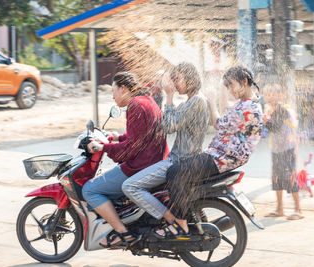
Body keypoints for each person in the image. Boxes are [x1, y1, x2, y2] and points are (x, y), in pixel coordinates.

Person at [153, 65, 263, 238]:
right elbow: (223, 119)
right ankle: (199, 219)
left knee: (174, 172)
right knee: (186, 177)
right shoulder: (248, 103)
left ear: (244, 81)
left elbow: (219, 124)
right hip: (222, 155)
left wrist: (212, 101)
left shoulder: (247, 107)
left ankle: (180, 223)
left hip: (222, 158)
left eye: (231, 85)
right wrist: (215, 99)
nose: (229, 89)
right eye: (226, 86)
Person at [82, 71, 168, 248]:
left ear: (123, 88)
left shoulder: (134, 106)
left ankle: (122, 233)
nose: (113, 96)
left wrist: (103, 147)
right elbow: (140, 137)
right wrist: (117, 137)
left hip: (141, 165)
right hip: (154, 159)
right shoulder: (146, 99)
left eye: (113, 91)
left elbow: (131, 148)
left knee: (90, 189)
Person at [122, 62, 210, 235]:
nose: (175, 84)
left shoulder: (196, 101)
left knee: (129, 187)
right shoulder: (192, 101)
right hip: (179, 158)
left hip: (179, 161)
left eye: (178, 79)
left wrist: (168, 96)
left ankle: (172, 219)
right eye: (174, 79)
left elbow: (169, 126)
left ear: (190, 78)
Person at [263, 83, 303, 220]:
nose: (268, 96)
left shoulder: (282, 110)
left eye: (272, 93)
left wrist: (265, 121)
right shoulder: (270, 110)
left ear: (280, 95)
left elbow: (274, 127)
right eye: (266, 94)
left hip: (288, 149)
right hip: (276, 149)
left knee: (289, 177)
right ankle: (280, 209)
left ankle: (298, 210)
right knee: (276, 178)